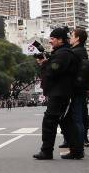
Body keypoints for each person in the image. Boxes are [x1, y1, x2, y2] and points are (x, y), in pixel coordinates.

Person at [33, 27, 82, 160]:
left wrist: (44, 64)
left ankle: (46, 151)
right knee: (66, 122)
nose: (50, 41)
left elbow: (53, 72)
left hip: (60, 93)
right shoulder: (62, 53)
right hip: (62, 92)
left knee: (49, 121)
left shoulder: (63, 54)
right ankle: (77, 151)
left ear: (60, 40)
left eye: (53, 38)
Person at [69, 28, 89, 147]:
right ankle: (81, 139)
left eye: (72, 35)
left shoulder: (76, 52)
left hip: (76, 87)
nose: (70, 37)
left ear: (77, 38)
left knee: (77, 116)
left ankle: (80, 141)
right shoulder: (81, 51)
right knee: (80, 113)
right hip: (81, 87)